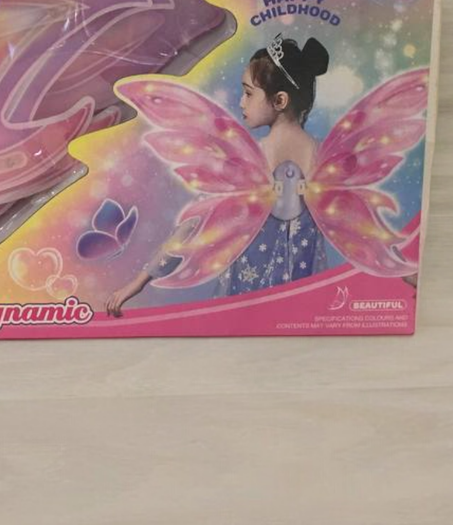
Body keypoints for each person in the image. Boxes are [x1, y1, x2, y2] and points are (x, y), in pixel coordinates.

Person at [106, 35, 330, 316]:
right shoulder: (325, 157)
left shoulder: (247, 162)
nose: (241, 102)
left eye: (248, 93)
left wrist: (138, 282)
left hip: (248, 299)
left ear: (280, 100)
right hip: (300, 297)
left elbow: (195, 225)